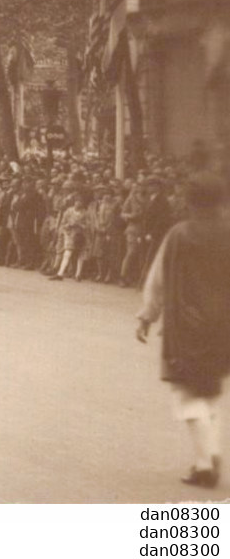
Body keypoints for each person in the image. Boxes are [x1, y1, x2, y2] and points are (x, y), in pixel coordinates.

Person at [136, 173, 230, 488]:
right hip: (223, 329)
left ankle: (205, 465)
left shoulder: (179, 235)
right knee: (208, 391)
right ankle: (211, 452)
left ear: (190, 201)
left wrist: (147, 315)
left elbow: (158, 278)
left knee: (187, 394)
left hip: (186, 328)